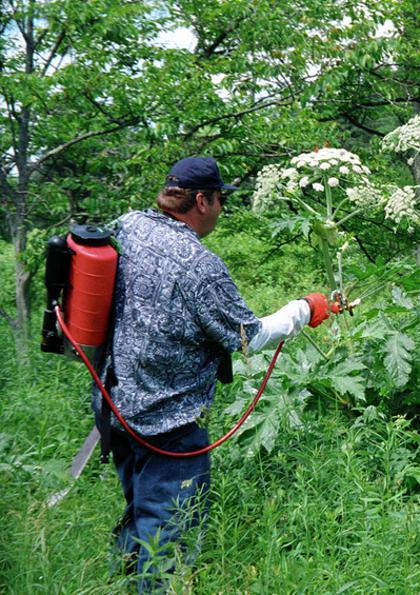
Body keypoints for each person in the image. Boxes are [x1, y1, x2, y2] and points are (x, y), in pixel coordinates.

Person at [92, 156, 338, 590]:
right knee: (168, 535)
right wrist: (306, 308)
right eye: (221, 199)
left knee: (140, 514)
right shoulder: (198, 265)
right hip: (170, 423)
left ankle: (119, 583)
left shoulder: (129, 225)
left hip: (115, 406)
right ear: (201, 200)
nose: (222, 209)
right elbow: (248, 337)